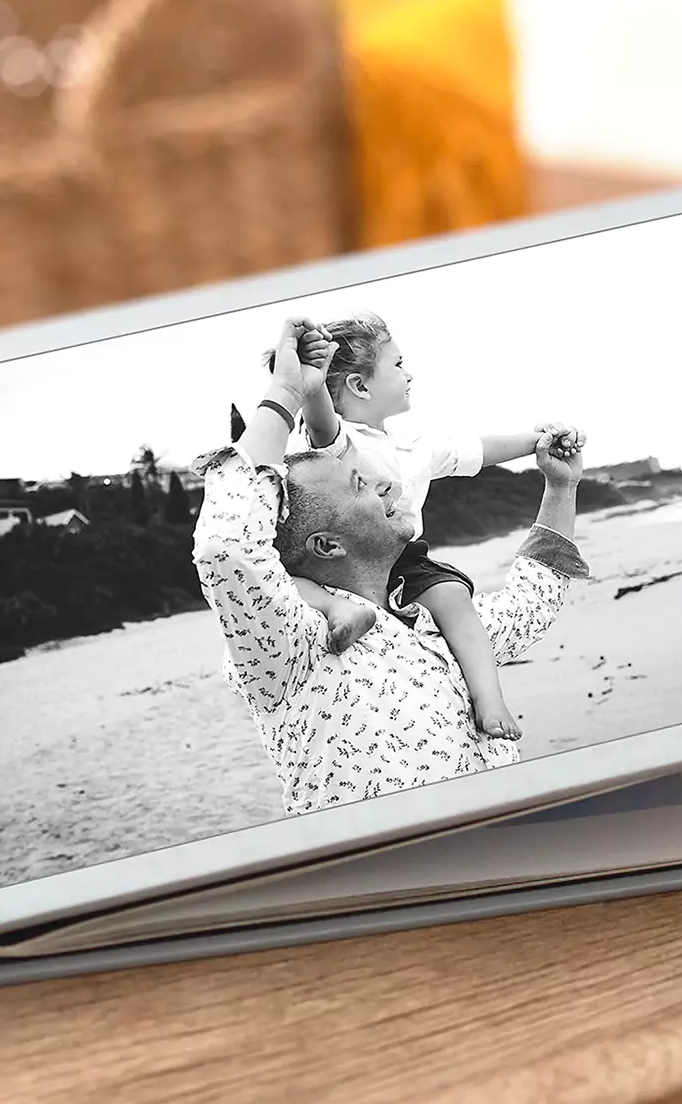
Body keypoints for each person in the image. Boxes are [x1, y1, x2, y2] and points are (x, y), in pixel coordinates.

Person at [193, 317, 590, 817]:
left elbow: (534, 602)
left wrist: (560, 489)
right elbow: (228, 548)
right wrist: (287, 391)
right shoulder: (290, 644)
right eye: (358, 483)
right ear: (325, 544)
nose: (385, 485)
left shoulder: (432, 622)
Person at [264, 311, 584, 742]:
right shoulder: (339, 444)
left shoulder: (413, 445)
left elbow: (474, 451)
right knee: (292, 583)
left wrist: (538, 443)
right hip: (336, 572)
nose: (408, 373)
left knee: (453, 597)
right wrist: (310, 379)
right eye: (397, 365)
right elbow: (319, 416)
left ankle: (488, 699)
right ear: (359, 386)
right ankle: (338, 608)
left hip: (405, 558)